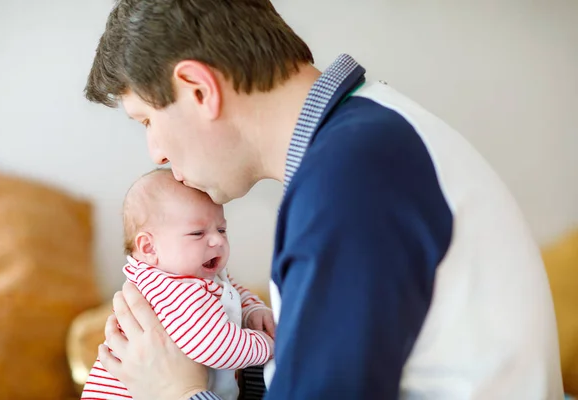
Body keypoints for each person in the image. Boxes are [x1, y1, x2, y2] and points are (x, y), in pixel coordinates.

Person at [83, 0, 564, 399]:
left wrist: (176, 392)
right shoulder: (369, 135)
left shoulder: (351, 183)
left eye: (147, 120)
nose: (157, 153)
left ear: (198, 89)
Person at [80, 169, 274, 400]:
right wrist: (269, 345)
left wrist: (253, 309)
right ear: (150, 248)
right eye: (197, 233)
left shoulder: (196, 275)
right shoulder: (174, 291)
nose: (218, 240)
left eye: (221, 229)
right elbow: (213, 346)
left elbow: (232, 292)